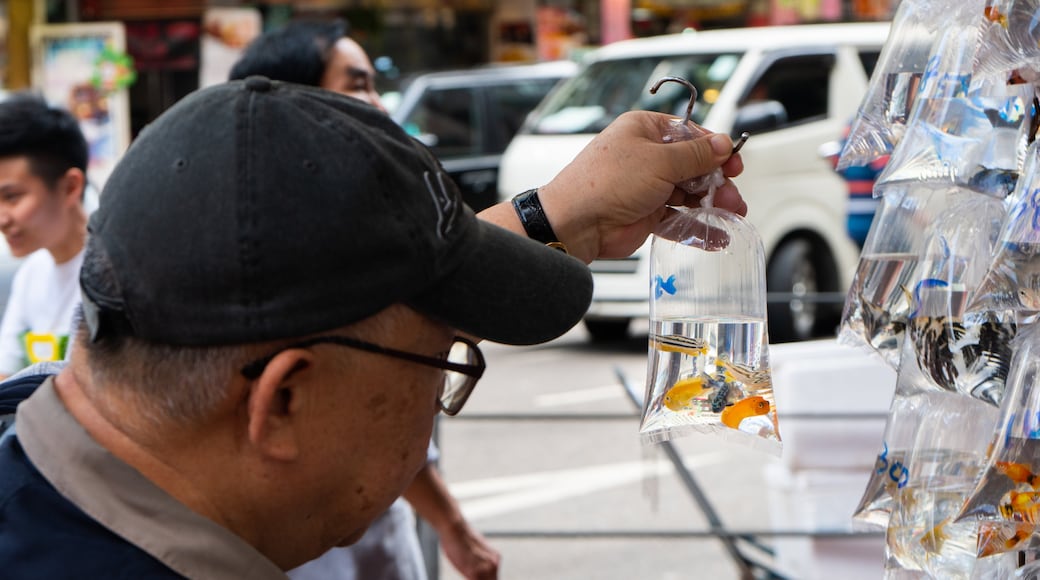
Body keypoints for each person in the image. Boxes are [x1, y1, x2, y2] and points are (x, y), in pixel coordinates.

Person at [0, 77, 744, 577]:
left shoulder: (43, 416)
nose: (435, 409)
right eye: (446, 365)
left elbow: (375, 301)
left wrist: (556, 215)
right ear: (285, 400)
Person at [231, 19, 496, 580]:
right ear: (291, 100)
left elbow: (380, 413)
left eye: (375, 85)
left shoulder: (357, 229)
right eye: (357, 85)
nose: (379, 106)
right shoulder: (247, 251)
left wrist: (451, 525)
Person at [0, 94, 89, 379]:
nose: (2, 218)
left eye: (11, 197)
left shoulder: (116, 277)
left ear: (70, 187)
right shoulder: (31, 274)